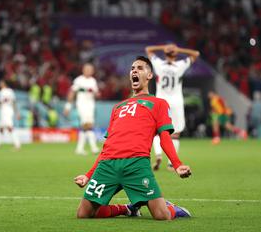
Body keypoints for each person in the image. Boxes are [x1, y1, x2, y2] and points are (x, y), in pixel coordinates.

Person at [74, 56, 192, 220]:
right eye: (132, 68)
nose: (134, 70)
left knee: (161, 216)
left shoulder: (158, 103)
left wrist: (177, 164)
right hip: (108, 165)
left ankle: (172, 208)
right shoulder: (118, 107)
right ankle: (127, 209)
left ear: (150, 75)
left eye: (140, 68)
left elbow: (165, 137)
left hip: (136, 164)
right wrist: (88, 175)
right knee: (83, 213)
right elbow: (108, 145)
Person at [145, 43, 200, 171]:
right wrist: (179, 49)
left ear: (165, 54)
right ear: (175, 54)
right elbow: (196, 54)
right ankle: (171, 163)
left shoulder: (159, 64)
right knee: (175, 134)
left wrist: (163, 47)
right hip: (176, 103)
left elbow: (148, 49)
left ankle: (158, 155)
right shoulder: (180, 65)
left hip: (161, 102)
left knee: (158, 131)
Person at [64, 63, 100, 155]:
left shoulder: (93, 81)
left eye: (91, 69)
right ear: (83, 70)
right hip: (82, 104)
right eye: (87, 69)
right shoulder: (79, 80)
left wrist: (97, 94)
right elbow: (72, 93)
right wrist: (68, 106)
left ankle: (79, 148)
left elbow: (96, 93)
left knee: (86, 126)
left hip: (91, 105)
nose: (89, 71)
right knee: (87, 124)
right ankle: (93, 147)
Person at [0, 80, 21, 150]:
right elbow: (14, 102)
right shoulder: (11, 91)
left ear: (3, 84)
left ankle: (17, 144)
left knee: (9, 127)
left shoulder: (1, 92)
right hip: (10, 110)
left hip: (5, 110)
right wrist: (17, 112)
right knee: (1, 128)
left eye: (0, 83)